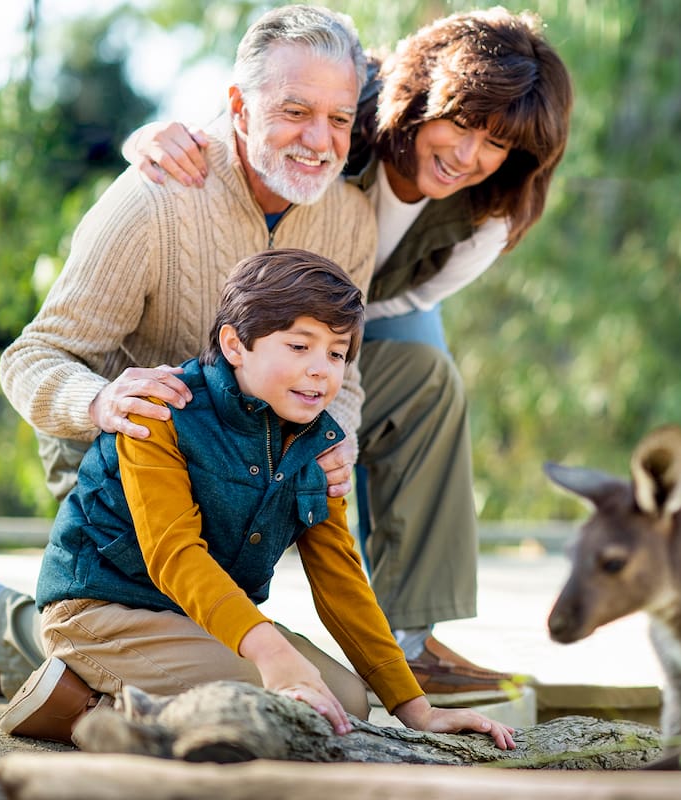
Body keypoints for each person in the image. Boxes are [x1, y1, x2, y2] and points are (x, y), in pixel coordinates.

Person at [0, 4, 379, 704]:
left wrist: (338, 434)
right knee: (166, 632)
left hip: (237, 481)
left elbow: (346, 372)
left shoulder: (351, 219)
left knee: (309, 689)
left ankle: (20, 634)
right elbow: (32, 356)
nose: (318, 139)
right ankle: (4, 615)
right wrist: (100, 401)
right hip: (120, 472)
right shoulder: (156, 197)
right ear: (238, 105)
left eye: (339, 118)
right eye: (294, 111)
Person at [124, 7, 574, 694]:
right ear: (421, 95)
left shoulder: (489, 210)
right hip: (249, 308)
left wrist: (332, 397)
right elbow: (246, 122)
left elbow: (409, 304)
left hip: (361, 313)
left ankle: (409, 638)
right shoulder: (345, 103)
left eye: (497, 143)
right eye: (461, 121)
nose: (467, 154)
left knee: (428, 376)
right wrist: (152, 138)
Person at [0, 250, 515, 749]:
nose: (320, 371)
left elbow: (340, 578)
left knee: (349, 704)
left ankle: (110, 694)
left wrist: (416, 709)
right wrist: (270, 651)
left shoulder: (317, 444)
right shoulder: (162, 411)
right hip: (101, 609)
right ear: (236, 344)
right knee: (296, 712)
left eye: (336, 354)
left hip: (201, 621)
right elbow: (174, 554)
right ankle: (82, 710)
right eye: (299, 345)